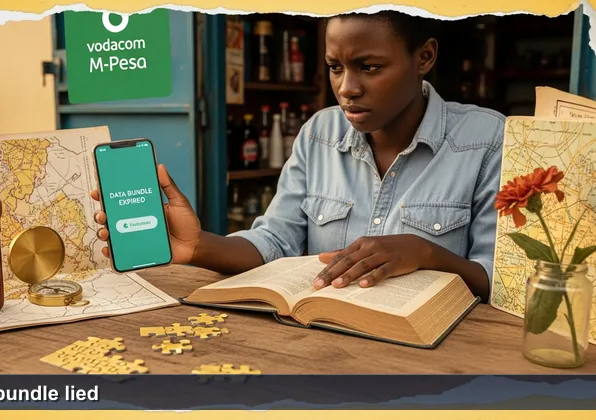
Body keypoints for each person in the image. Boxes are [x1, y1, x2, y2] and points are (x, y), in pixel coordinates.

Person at [90, 11, 505, 303]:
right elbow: (276, 241)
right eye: (334, 67)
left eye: (370, 67)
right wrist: (198, 246)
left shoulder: (486, 140)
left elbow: (501, 281)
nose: (347, 88)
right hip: (317, 347)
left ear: (424, 58)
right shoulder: (319, 133)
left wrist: (427, 253)